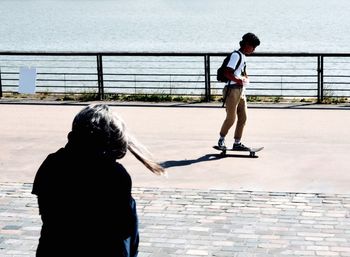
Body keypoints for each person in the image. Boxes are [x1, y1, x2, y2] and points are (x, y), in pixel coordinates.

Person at [32, 104, 165, 257]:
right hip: (103, 249)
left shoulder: (52, 163)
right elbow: (124, 228)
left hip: (55, 248)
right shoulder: (115, 174)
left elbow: (47, 213)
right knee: (130, 205)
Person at [218, 32, 260, 150]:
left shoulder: (243, 56)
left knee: (243, 118)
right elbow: (227, 72)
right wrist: (239, 81)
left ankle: (237, 142)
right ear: (247, 44)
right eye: (253, 47)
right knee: (231, 118)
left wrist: (244, 78)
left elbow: (238, 72)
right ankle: (221, 140)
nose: (254, 50)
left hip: (240, 90)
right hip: (232, 90)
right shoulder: (236, 55)